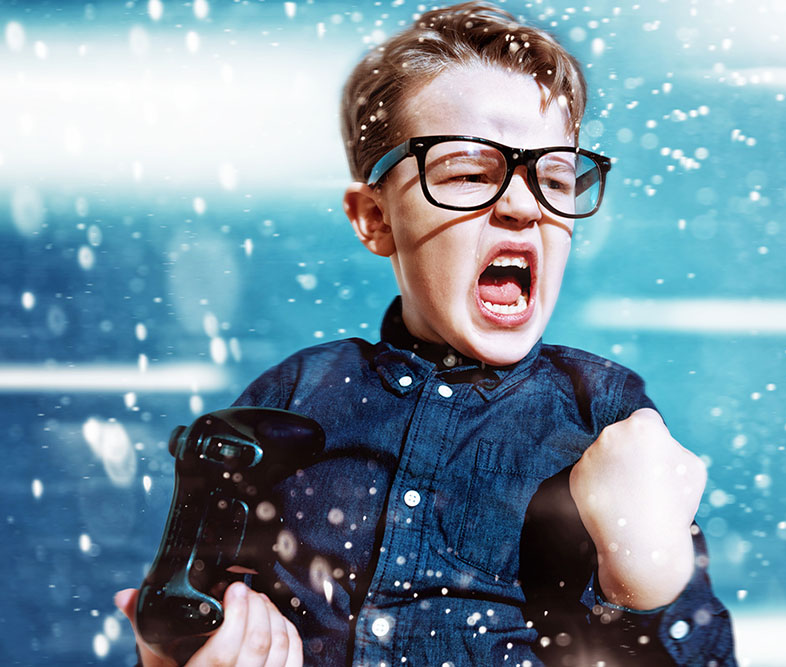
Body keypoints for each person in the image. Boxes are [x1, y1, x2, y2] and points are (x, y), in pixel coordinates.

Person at [116, 3, 735, 665]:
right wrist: (176, 650)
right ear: (375, 218)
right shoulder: (294, 397)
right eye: (468, 173)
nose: (525, 206)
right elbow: (188, 604)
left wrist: (649, 585)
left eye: (554, 177)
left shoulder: (606, 413)